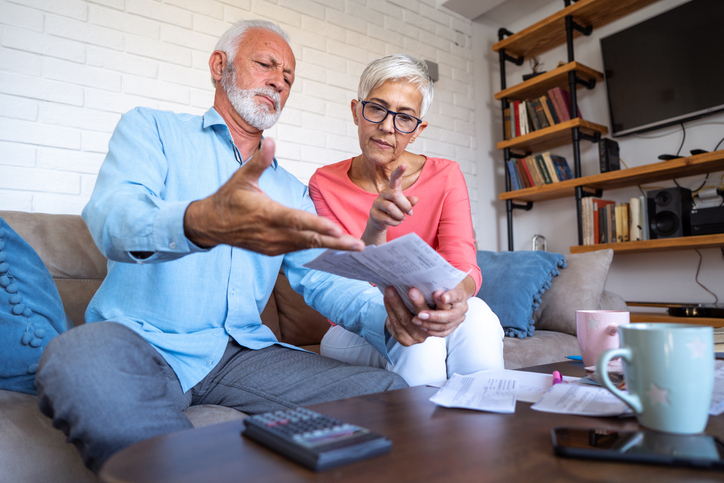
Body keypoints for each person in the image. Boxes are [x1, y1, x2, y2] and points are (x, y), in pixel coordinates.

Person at [34, 21, 463, 473]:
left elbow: (321, 277)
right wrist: (199, 221)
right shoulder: (152, 130)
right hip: (145, 341)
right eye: (266, 64)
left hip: (244, 355)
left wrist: (397, 313)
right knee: (75, 358)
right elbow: (113, 217)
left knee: (391, 392)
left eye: (289, 77)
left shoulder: (290, 190)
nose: (279, 80)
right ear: (220, 66)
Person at [309, 55, 505, 386]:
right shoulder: (324, 183)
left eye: (405, 118)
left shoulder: (446, 175)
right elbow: (339, 283)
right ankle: (420, 436)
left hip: (430, 309)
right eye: (377, 109)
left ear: (417, 131)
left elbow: (465, 264)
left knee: (481, 318)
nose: (388, 126)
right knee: (420, 338)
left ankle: (486, 429)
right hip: (354, 327)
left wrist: (454, 300)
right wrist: (375, 229)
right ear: (357, 111)